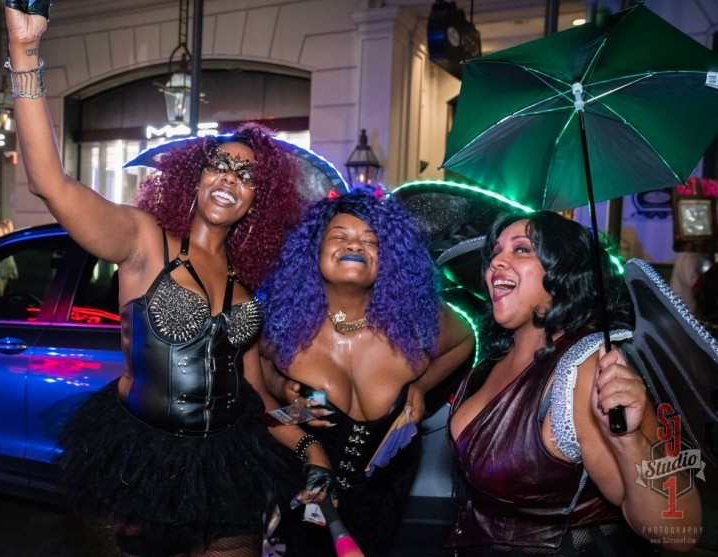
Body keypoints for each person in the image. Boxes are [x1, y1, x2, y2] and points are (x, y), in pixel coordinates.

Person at [4, 5, 315, 556]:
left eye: (246, 176)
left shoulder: (247, 284)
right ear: (193, 180)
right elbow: (49, 182)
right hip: (145, 463)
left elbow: (252, 392)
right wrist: (24, 48)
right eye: (219, 165)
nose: (230, 179)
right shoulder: (145, 243)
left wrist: (308, 440)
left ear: (257, 202)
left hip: (226, 462)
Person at [447, 210, 702, 556]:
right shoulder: (490, 360)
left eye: (521, 250)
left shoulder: (585, 367)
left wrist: (628, 441)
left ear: (563, 271)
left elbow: (677, 532)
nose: (496, 262)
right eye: (494, 253)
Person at [260, 187, 476, 557]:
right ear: (314, 252)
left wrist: (421, 386)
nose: (355, 245)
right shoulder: (283, 326)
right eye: (340, 236)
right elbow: (262, 410)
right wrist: (288, 401)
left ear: (387, 259)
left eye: (370, 240)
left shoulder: (414, 324)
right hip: (305, 477)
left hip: (386, 489)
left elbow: (466, 341)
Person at [670, 251, 711, 318]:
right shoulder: (690, 255)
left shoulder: (692, 254)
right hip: (684, 306)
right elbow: (692, 281)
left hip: (684, 306)